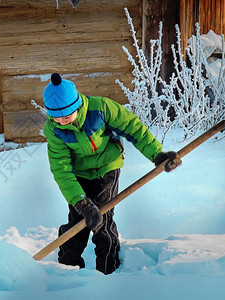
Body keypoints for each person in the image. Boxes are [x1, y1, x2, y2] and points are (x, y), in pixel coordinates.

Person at [43, 73, 180, 275]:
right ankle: (66, 271)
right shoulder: (54, 130)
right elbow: (61, 169)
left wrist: (157, 155)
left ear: (77, 106)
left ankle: (108, 271)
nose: (62, 122)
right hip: (78, 174)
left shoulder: (101, 109)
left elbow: (134, 128)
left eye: (66, 116)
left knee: (102, 219)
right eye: (56, 117)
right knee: (77, 222)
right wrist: (81, 202)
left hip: (106, 168)